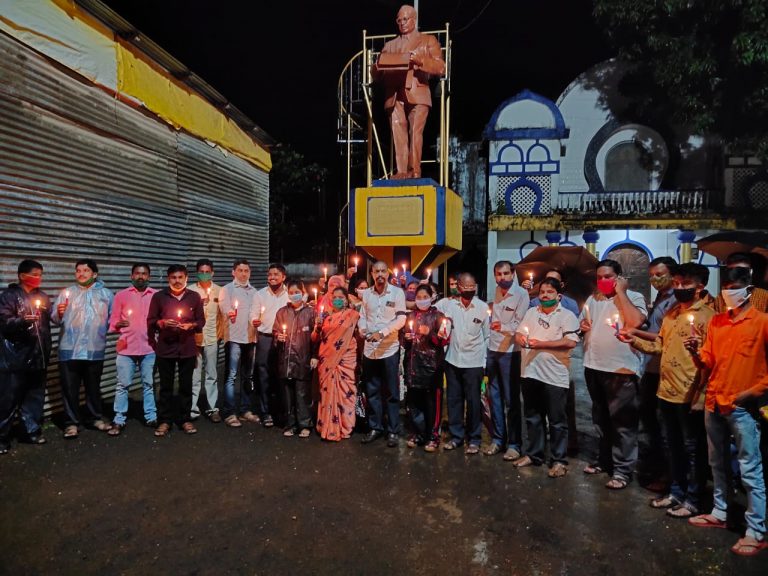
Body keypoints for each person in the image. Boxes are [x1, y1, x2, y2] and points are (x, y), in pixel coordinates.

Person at [684, 266, 767, 556]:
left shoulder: (762, 323)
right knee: (716, 462)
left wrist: (751, 393)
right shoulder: (717, 322)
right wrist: (695, 351)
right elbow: (707, 362)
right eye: (725, 287)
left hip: (742, 407)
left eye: (734, 287)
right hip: (714, 401)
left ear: (749, 289)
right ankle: (720, 512)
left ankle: (756, 530)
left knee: (750, 468)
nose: (728, 292)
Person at [620, 263, 714, 517]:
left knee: (692, 448)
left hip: (690, 392)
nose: (680, 288)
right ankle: (676, 492)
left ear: (700, 286)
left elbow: (713, 358)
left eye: (686, 283)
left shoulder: (708, 317)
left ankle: (693, 499)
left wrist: (701, 390)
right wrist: (634, 340)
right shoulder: (672, 313)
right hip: (666, 390)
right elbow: (660, 346)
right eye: (677, 283)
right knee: (672, 445)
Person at [579, 259, 648, 489]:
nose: (603, 281)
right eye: (599, 277)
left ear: (618, 277)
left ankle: (623, 470)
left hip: (621, 370)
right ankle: (604, 460)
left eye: (608, 277)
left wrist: (621, 293)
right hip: (594, 366)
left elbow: (635, 322)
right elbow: (584, 323)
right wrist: (583, 326)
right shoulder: (594, 298)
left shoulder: (633, 297)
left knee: (623, 422)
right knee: (601, 419)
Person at [513, 278, 580, 477]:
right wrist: (521, 339)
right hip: (530, 372)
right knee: (533, 416)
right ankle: (534, 454)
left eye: (550, 292)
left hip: (554, 376)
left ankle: (559, 460)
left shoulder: (567, 316)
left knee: (557, 420)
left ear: (559, 296)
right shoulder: (531, 313)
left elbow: (570, 342)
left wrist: (541, 344)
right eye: (542, 291)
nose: (544, 295)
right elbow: (519, 333)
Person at [372, 4, 445, 179]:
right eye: (399, 20)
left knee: (415, 131)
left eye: (405, 19)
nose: (402, 23)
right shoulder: (390, 45)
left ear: (414, 19)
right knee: (398, 132)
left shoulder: (428, 41)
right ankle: (402, 171)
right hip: (394, 93)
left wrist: (421, 61)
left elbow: (441, 67)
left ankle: (414, 170)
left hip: (417, 90)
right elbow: (377, 74)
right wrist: (376, 69)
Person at [53, 259, 113, 438]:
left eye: (86, 270)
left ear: (95, 274)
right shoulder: (67, 293)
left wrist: (119, 325)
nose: (81, 274)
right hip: (69, 348)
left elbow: (113, 319)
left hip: (94, 348)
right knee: (69, 388)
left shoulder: (106, 294)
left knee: (93, 387)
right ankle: (71, 423)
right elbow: (54, 318)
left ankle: (95, 418)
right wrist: (59, 313)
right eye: (78, 270)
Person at [634, 256, 678, 489]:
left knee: (665, 424)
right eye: (651, 275)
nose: (654, 279)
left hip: (665, 369)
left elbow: (665, 336)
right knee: (649, 419)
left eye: (659, 274)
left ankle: (668, 475)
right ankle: (655, 465)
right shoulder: (660, 297)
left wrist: (635, 333)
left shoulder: (676, 301)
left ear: (673, 275)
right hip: (651, 366)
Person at [0, 260, 52, 453]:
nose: (39, 278)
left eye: (40, 274)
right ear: (22, 275)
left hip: (39, 356)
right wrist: (22, 321)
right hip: (15, 357)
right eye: (35, 274)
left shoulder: (42, 296)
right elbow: (4, 322)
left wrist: (60, 313)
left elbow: (50, 320)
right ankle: (1, 438)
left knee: (34, 398)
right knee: (8, 400)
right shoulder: (9, 296)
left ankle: (31, 432)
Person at [147, 265, 205, 437]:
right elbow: (151, 320)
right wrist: (162, 323)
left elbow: (201, 321)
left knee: (186, 385)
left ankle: (184, 419)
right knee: (166, 386)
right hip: (166, 348)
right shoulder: (159, 297)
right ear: (168, 279)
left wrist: (191, 325)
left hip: (187, 347)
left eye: (180, 277)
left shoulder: (194, 297)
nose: (177, 281)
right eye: (173, 277)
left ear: (186, 278)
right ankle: (165, 420)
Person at [358, 261, 406, 447]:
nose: (379, 274)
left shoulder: (397, 293)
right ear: (371, 273)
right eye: (376, 271)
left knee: (392, 392)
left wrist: (382, 333)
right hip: (370, 350)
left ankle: (393, 430)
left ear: (388, 273)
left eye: (383, 271)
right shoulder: (367, 294)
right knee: (372, 391)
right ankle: (375, 427)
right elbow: (363, 316)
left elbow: (401, 318)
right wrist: (362, 329)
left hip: (389, 348)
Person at [484, 260, 529, 459]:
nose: (502, 278)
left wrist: (501, 327)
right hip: (493, 350)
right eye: (498, 274)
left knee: (511, 400)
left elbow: (520, 324)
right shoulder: (496, 291)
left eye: (505, 274)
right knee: (494, 397)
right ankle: (498, 439)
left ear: (513, 274)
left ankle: (514, 444)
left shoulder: (521, 294)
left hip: (511, 352)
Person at [442, 272, 490, 454]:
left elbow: (487, 336)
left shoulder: (482, 308)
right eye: (466, 287)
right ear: (459, 287)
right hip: (453, 360)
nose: (469, 289)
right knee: (454, 400)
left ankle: (474, 439)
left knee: (474, 402)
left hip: (474, 362)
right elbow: (444, 328)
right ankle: (456, 437)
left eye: (472, 287)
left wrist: (484, 363)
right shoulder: (450, 306)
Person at [107, 263, 158, 435]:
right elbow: (113, 322)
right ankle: (119, 419)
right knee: (122, 385)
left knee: (149, 384)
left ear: (149, 276)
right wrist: (117, 324)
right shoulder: (121, 296)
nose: (140, 277)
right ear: (131, 276)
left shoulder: (156, 296)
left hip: (149, 347)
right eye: (137, 273)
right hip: (126, 348)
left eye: (144, 274)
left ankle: (151, 416)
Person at [402, 284, 449, 452]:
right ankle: (418, 434)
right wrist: (407, 338)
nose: (422, 300)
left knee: (432, 404)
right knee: (414, 402)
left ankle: (433, 436)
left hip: (432, 368)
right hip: (413, 366)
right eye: (418, 297)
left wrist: (430, 333)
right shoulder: (411, 316)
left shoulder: (439, 316)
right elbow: (405, 342)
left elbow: (444, 340)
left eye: (425, 297)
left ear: (432, 297)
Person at [218, 259, 261, 427]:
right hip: (234, 338)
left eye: (246, 271)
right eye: (240, 270)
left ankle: (245, 409)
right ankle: (229, 412)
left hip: (250, 338)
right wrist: (230, 312)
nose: (243, 274)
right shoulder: (227, 290)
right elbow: (224, 308)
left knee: (248, 376)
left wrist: (257, 320)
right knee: (231, 376)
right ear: (233, 272)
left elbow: (256, 313)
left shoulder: (254, 292)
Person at [314, 287, 360, 441]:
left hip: (346, 360)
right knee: (327, 391)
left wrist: (354, 299)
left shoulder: (353, 315)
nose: (337, 300)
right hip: (327, 360)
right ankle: (326, 425)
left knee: (346, 392)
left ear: (347, 299)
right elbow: (314, 338)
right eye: (334, 297)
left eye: (341, 297)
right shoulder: (325, 318)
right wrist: (317, 327)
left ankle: (346, 426)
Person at [274, 280, 317, 438]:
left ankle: (305, 424)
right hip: (286, 359)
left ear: (303, 292)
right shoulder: (282, 312)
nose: (294, 295)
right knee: (288, 395)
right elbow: (275, 332)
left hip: (303, 359)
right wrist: (278, 337)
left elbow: (316, 337)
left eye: (297, 292)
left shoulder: (311, 313)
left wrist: (314, 355)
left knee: (302, 393)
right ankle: (290, 424)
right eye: (291, 293)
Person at [189, 259, 224, 423]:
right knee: (194, 375)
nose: (204, 275)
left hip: (212, 338)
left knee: (211, 374)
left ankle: (212, 408)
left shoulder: (220, 291)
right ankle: (192, 409)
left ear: (212, 273)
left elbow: (223, 314)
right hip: (194, 338)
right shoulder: (190, 291)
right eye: (201, 272)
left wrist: (221, 335)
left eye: (207, 272)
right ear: (197, 273)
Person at [255, 263, 289, 427]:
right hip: (265, 338)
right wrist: (254, 321)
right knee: (264, 375)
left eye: (276, 274)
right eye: (270, 274)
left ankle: (282, 412)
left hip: (284, 339)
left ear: (283, 277)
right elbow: (253, 314)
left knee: (282, 375)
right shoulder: (260, 294)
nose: (272, 277)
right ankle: (265, 411)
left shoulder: (290, 295)